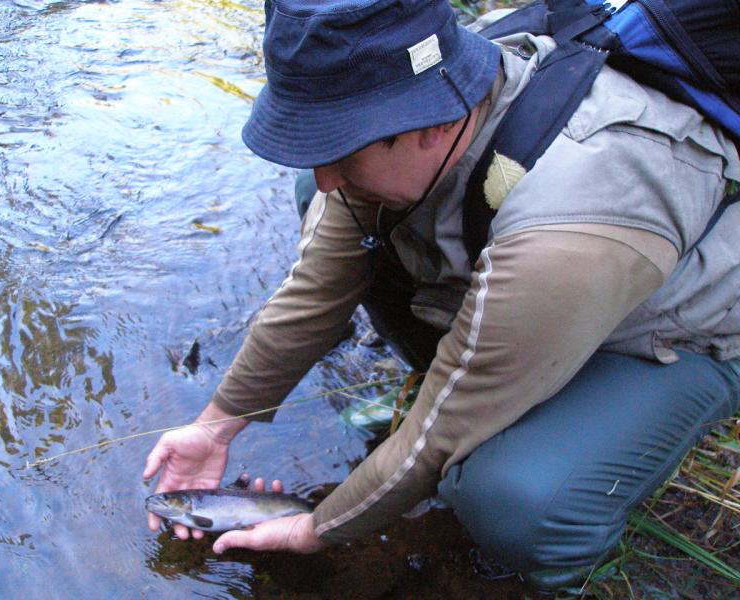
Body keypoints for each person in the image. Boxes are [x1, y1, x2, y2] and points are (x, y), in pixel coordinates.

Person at [143, 0, 740, 590]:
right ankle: (508, 381)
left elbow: (441, 433)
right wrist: (216, 426)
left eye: (341, 150)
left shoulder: (569, 224)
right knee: (322, 199)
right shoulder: (428, 75)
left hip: (683, 327)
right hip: (550, 286)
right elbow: (314, 291)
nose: (327, 174)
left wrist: (316, 529)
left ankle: (555, 569)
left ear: (435, 123)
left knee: (511, 498)